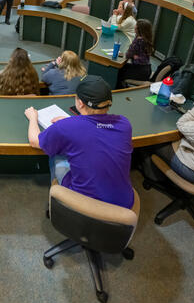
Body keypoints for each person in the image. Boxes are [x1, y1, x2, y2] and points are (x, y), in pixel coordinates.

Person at [24, 75, 134, 208]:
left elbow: (35, 141)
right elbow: (95, 130)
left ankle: (59, 204)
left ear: (80, 103)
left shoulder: (66, 127)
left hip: (84, 204)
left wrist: (33, 118)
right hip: (124, 206)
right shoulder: (124, 124)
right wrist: (70, 122)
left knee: (55, 153)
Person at [116, 19, 154, 89]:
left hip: (139, 71)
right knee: (122, 67)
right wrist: (133, 55)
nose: (134, 27)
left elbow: (128, 54)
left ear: (139, 29)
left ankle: (118, 90)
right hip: (147, 69)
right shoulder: (147, 39)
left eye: (136, 26)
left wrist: (132, 55)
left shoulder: (139, 40)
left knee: (118, 72)